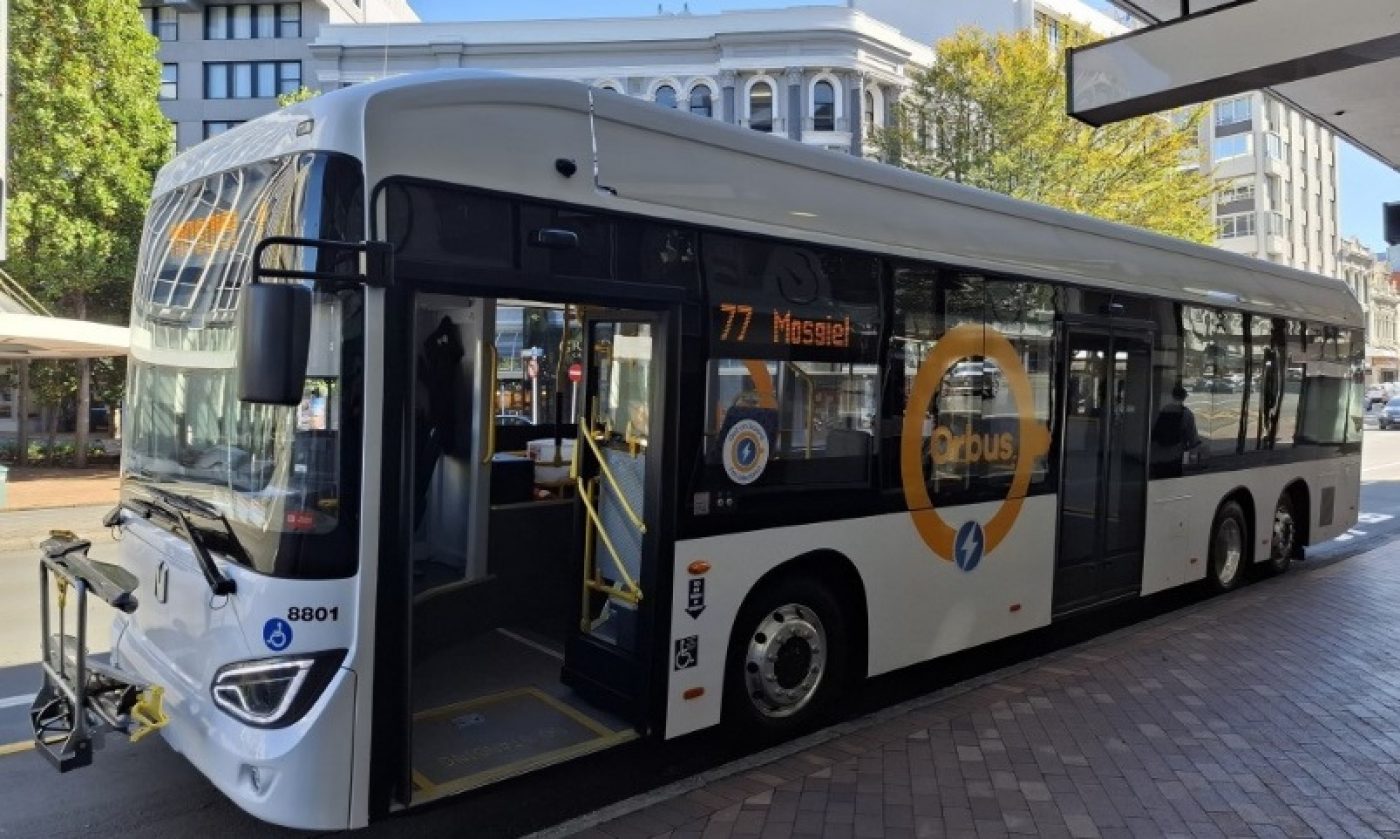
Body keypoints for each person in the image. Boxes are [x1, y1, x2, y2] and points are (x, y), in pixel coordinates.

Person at [1151, 384, 1202, 478]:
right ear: (1184, 398)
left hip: (1158, 454)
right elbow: (1192, 437)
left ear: (1172, 396)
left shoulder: (1163, 410)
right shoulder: (1187, 414)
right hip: (1175, 454)